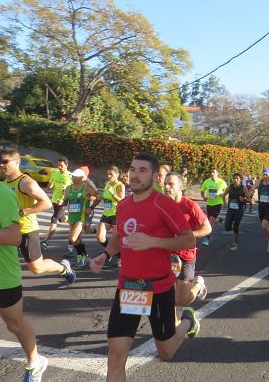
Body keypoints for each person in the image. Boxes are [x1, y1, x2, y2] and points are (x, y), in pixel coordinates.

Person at [89, 152, 199, 382]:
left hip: (158, 288)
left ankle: (188, 320)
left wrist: (154, 242)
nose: (135, 175)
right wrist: (106, 253)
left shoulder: (164, 204)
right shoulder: (124, 205)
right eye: (132, 169)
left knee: (166, 352)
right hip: (129, 287)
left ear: (155, 176)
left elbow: (189, 239)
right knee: (115, 357)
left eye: (142, 170)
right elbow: (119, 234)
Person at [0, 144, 48, 381]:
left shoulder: (2, 194)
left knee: (15, 325)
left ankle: (35, 361)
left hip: (1, 275)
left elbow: (14, 237)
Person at [0, 149, 75, 282]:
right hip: (9, 231)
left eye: (5, 162)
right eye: (0, 162)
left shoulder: (26, 182)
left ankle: (63, 268)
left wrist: (21, 212)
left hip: (27, 230)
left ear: (17, 162)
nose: (1, 165)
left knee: (36, 268)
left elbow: (46, 203)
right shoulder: (3, 184)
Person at [164, 172, 210, 306]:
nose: (167, 187)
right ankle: (172, 325)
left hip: (186, 256)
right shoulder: (162, 204)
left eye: (171, 184)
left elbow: (207, 228)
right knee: (166, 296)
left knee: (182, 300)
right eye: (165, 184)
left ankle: (198, 284)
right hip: (166, 254)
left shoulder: (190, 205)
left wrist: (186, 237)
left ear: (180, 186)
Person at [63, 168, 98, 267]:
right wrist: (62, 202)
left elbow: (98, 196)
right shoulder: (68, 188)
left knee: (72, 238)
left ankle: (80, 258)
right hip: (72, 217)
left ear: (82, 178)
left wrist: (91, 207)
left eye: (76, 177)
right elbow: (65, 201)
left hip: (82, 217)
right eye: (73, 176)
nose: (74, 178)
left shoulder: (86, 187)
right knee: (77, 239)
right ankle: (85, 257)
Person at [96, 166, 126, 267]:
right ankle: (111, 253)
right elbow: (105, 197)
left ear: (117, 175)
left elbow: (122, 201)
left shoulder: (120, 185)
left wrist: (112, 193)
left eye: (111, 174)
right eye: (108, 174)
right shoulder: (107, 184)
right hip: (106, 214)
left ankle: (121, 257)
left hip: (116, 215)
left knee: (117, 240)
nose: (109, 176)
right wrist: (99, 197)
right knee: (100, 237)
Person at [41, 156, 72, 250]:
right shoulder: (55, 174)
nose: (59, 167)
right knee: (61, 219)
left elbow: (73, 189)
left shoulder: (70, 176)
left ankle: (46, 241)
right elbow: (49, 186)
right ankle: (72, 221)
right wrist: (50, 185)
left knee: (54, 218)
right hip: (55, 200)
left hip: (63, 201)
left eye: (61, 165)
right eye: (58, 165)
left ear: (67, 165)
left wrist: (66, 192)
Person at [251, 168, 269, 253]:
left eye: (266, 174)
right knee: (265, 227)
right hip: (261, 207)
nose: (265, 176)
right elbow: (252, 189)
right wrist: (250, 194)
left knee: (264, 225)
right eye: (263, 174)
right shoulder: (258, 182)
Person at [199, 168, 228, 247]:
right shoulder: (207, 181)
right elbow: (202, 191)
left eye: (213, 172)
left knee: (210, 222)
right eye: (211, 172)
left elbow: (227, 191)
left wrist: (223, 197)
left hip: (217, 204)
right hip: (209, 203)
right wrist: (203, 197)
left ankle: (206, 238)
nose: (212, 173)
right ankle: (220, 219)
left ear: (217, 173)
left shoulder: (222, 182)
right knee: (210, 220)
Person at [223, 172, 250, 251]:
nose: (236, 180)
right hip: (230, 210)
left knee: (235, 227)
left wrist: (244, 199)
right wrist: (224, 203)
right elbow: (224, 195)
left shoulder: (243, 188)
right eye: (234, 178)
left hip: (239, 211)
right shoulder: (230, 186)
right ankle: (224, 222)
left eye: (237, 178)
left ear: (241, 179)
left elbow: (249, 199)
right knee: (227, 227)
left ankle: (235, 244)